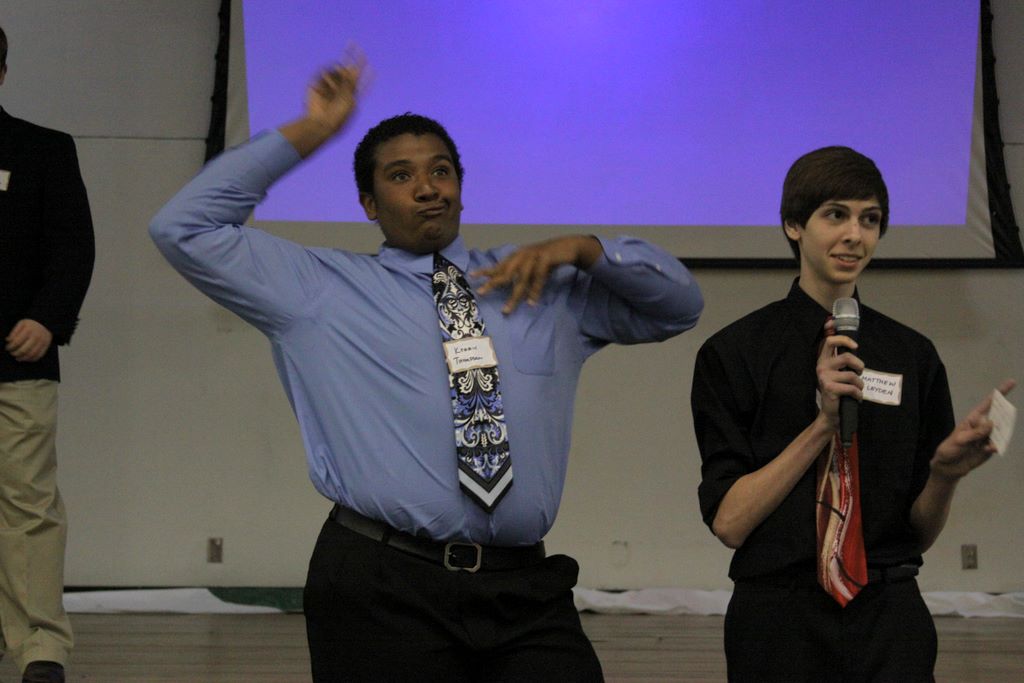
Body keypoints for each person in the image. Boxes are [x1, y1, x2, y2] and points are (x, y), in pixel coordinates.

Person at [150, 54, 703, 681]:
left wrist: (588, 249)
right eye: (401, 175)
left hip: (522, 587)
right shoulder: (316, 290)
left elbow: (679, 307)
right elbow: (181, 228)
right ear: (369, 203)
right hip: (382, 586)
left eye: (441, 170)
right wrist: (314, 129)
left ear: (460, 186)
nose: (427, 188)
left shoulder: (537, 283)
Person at [691, 145, 1014, 682]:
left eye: (870, 219)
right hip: (778, 618)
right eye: (835, 215)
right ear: (794, 225)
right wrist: (822, 424)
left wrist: (945, 475)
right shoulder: (735, 354)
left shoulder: (912, 356)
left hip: (889, 614)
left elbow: (917, 532)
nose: (855, 235)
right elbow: (730, 522)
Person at [0, 24, 96, 683]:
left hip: (17, 358)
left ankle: (40, 648)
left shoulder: (43, 149)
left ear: (2, 71)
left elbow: (72, 245)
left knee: (28, 506)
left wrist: (48, 317)